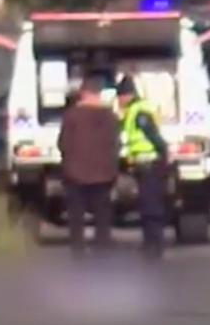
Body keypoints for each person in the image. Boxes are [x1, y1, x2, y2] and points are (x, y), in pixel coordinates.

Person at [57, 75, 120, 259]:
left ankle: (78, 248)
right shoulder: (110, 116)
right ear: (99, 93)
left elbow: (63, 143)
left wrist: (68, 161)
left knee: (76, 213)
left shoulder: (72, 115)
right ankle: (102, 244)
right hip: (104, 172)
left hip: (76, 172)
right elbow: (115, 144)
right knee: (102, 212)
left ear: (83, 93)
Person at [117, 76, 170, 261]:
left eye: (120, 97)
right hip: (144, 166)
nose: (119, 101)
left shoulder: (139, 113)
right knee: (147, 206)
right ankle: (151, 244)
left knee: (151, 207)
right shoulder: (133, 111)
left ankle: (154, 245)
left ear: (127, 95)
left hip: (149, 166)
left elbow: (153, 136)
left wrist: (164, 155)